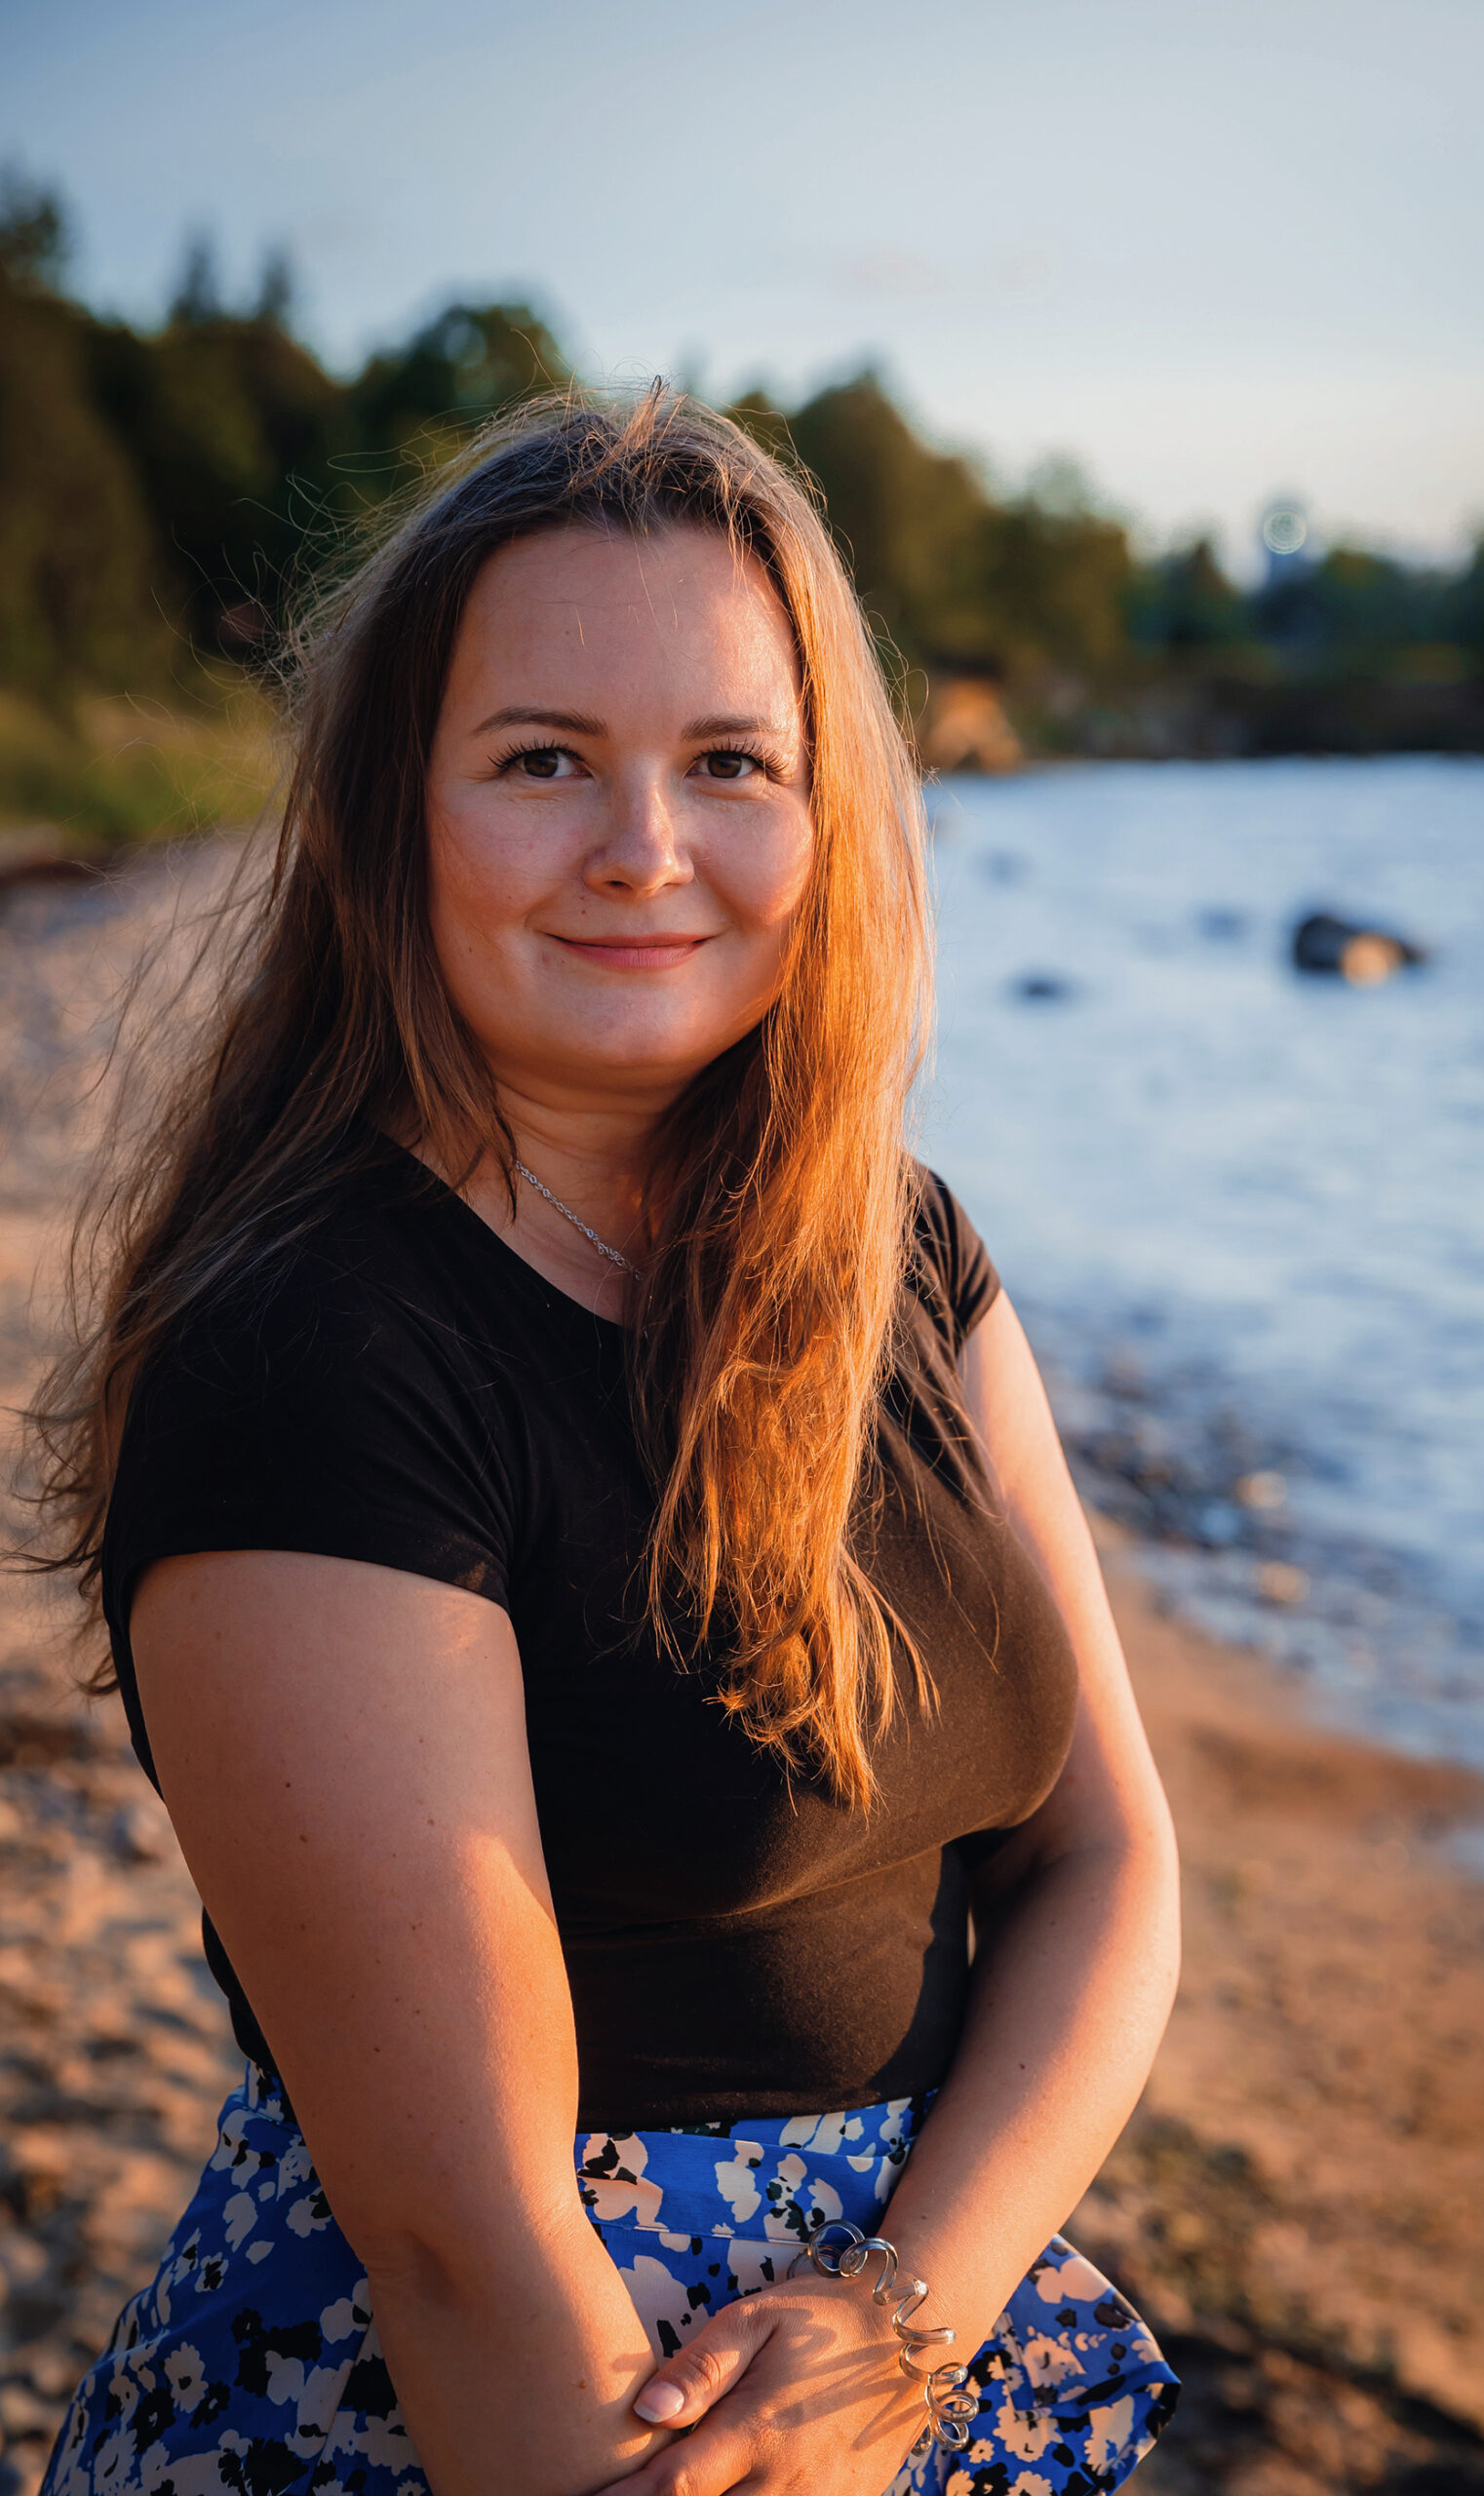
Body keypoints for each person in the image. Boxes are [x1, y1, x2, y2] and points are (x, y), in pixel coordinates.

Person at [30, 393, 1182, 2496]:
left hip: (907, 2344)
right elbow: (473, 2253)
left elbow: (1109, 1863)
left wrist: (904, 2317)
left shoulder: (894, 1244)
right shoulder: (319, 1352)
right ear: (399, 813)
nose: (647, 846)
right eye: (544, 758)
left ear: (832, 813)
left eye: (731, 762)